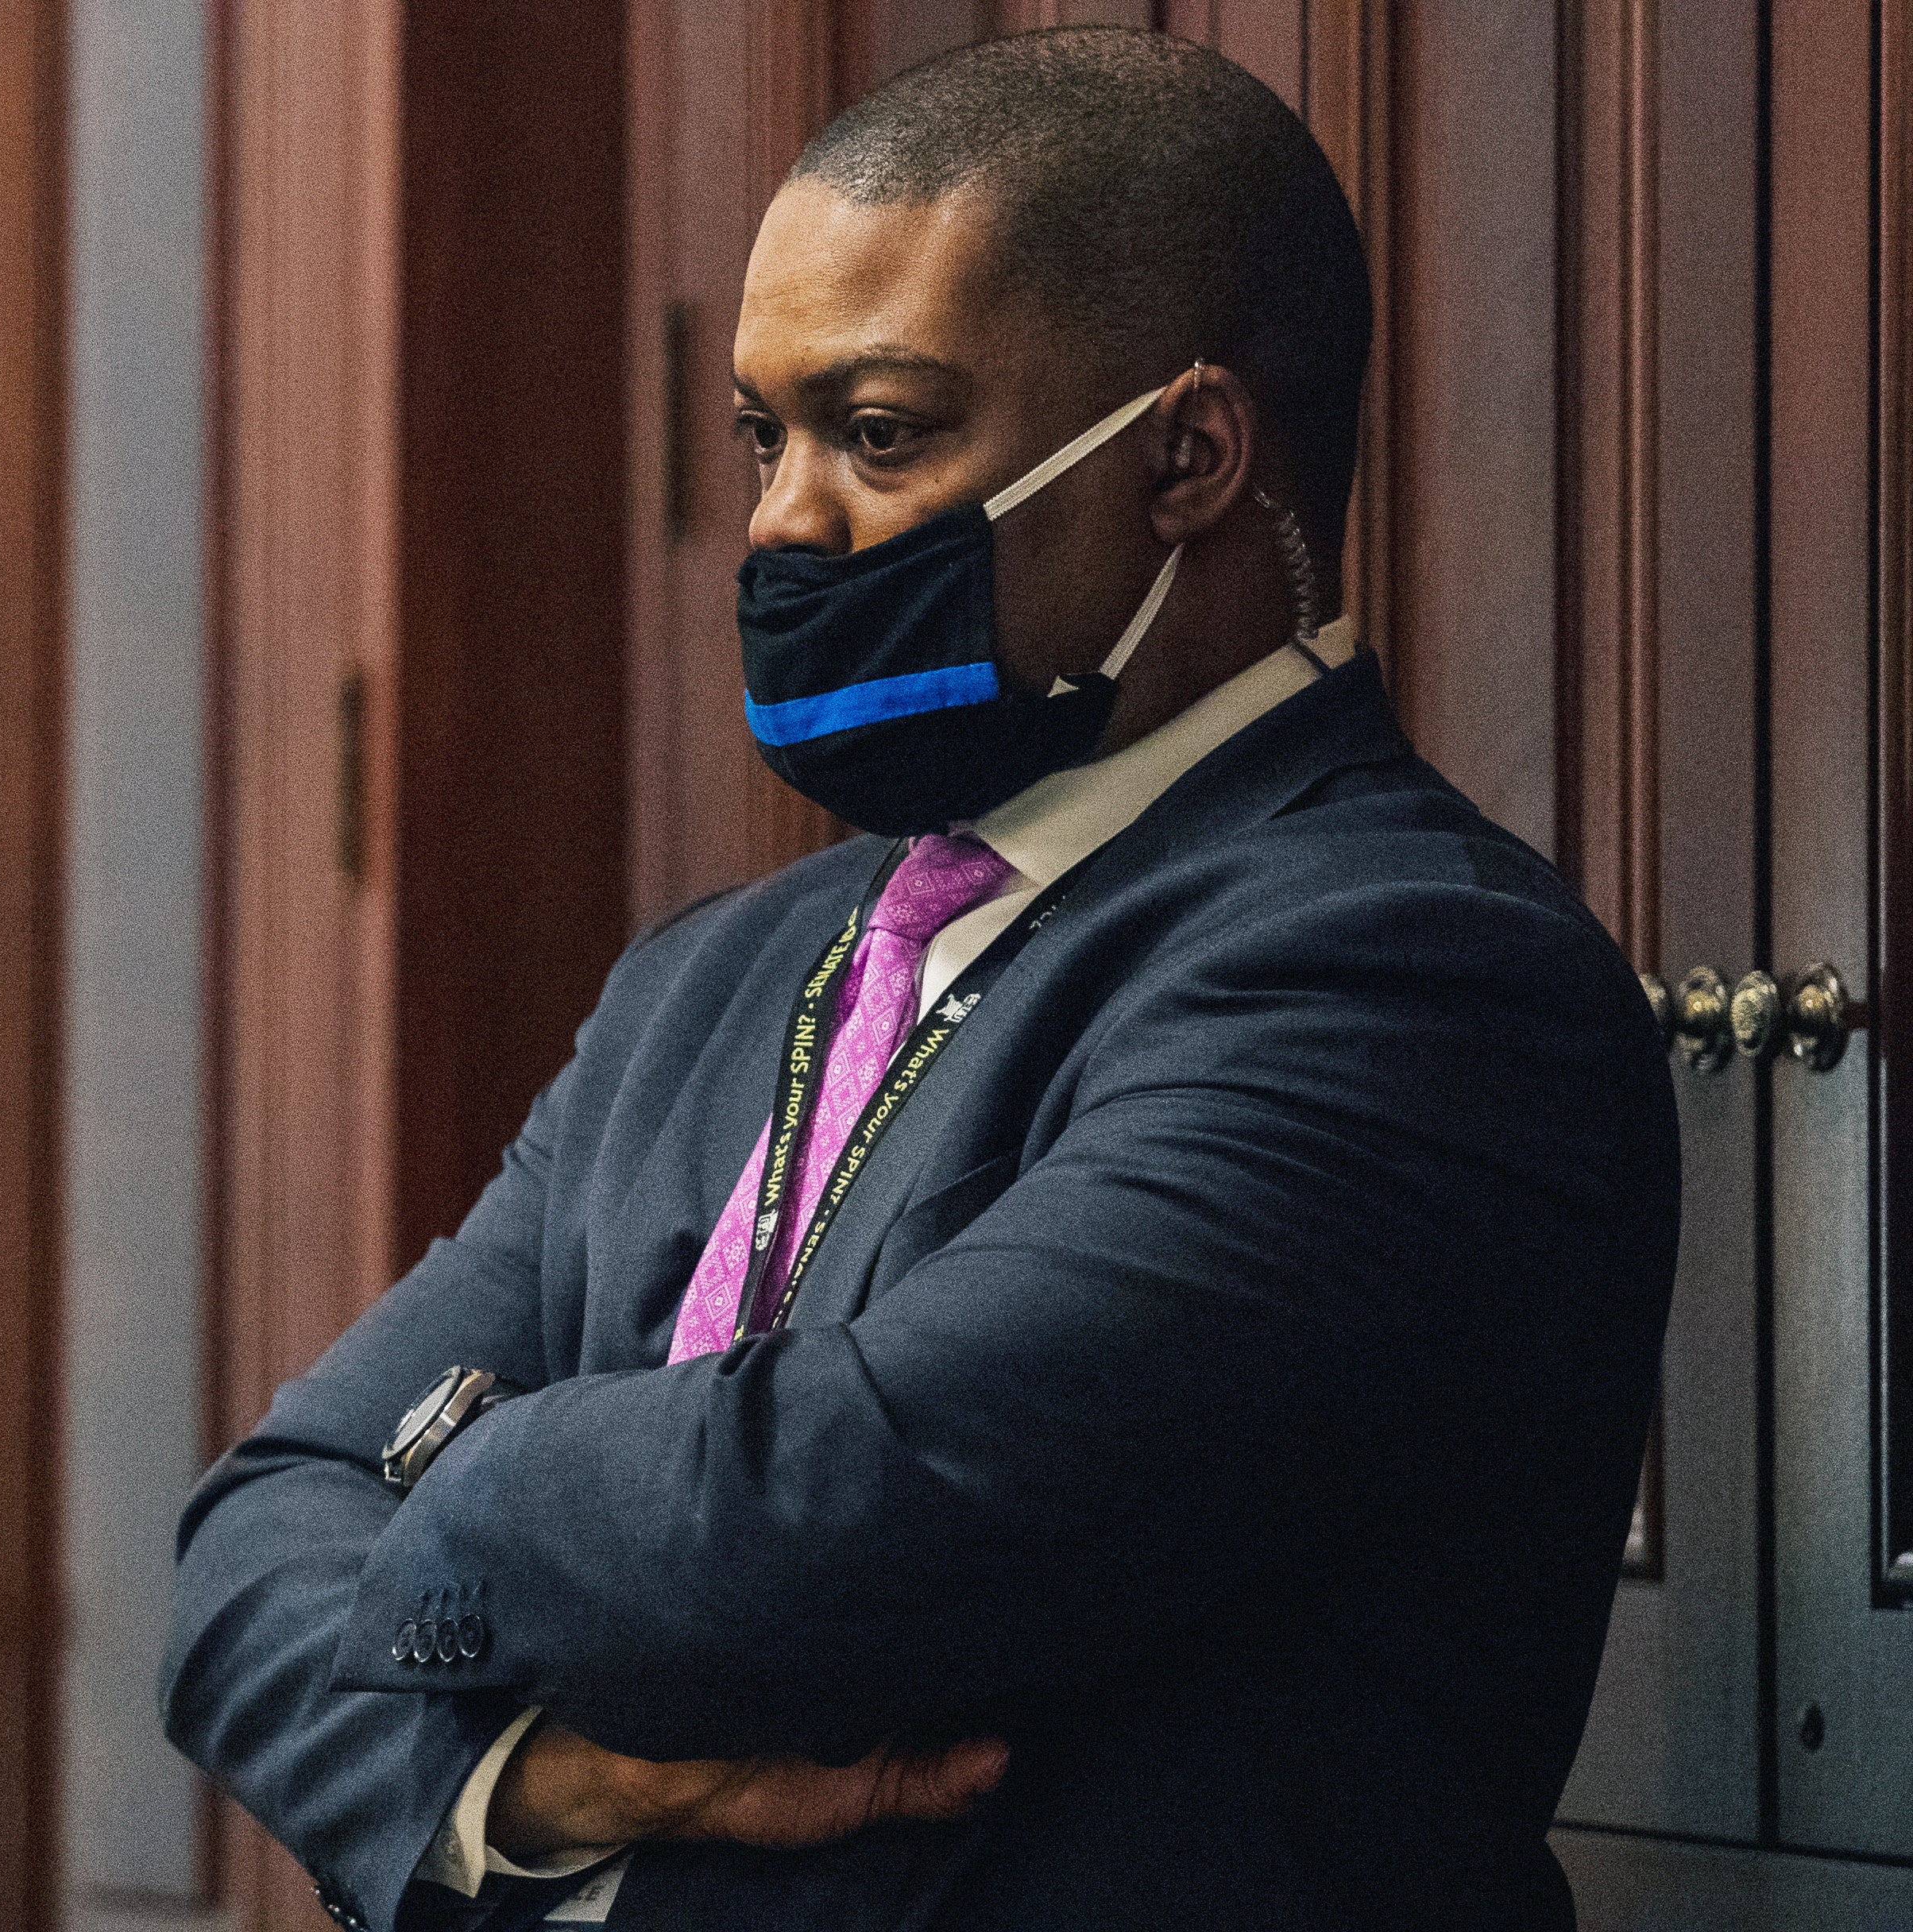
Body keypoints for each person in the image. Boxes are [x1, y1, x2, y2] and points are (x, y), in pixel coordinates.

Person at [164, 26, 1678, 1931]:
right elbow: (250, 1539)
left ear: (1187, 456)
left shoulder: (1411, 978)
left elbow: (806, 1540)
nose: (788, 518)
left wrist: (462, 1475)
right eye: (761, 439)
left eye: (879, 434)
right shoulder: (698, 989)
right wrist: (523, 1778)